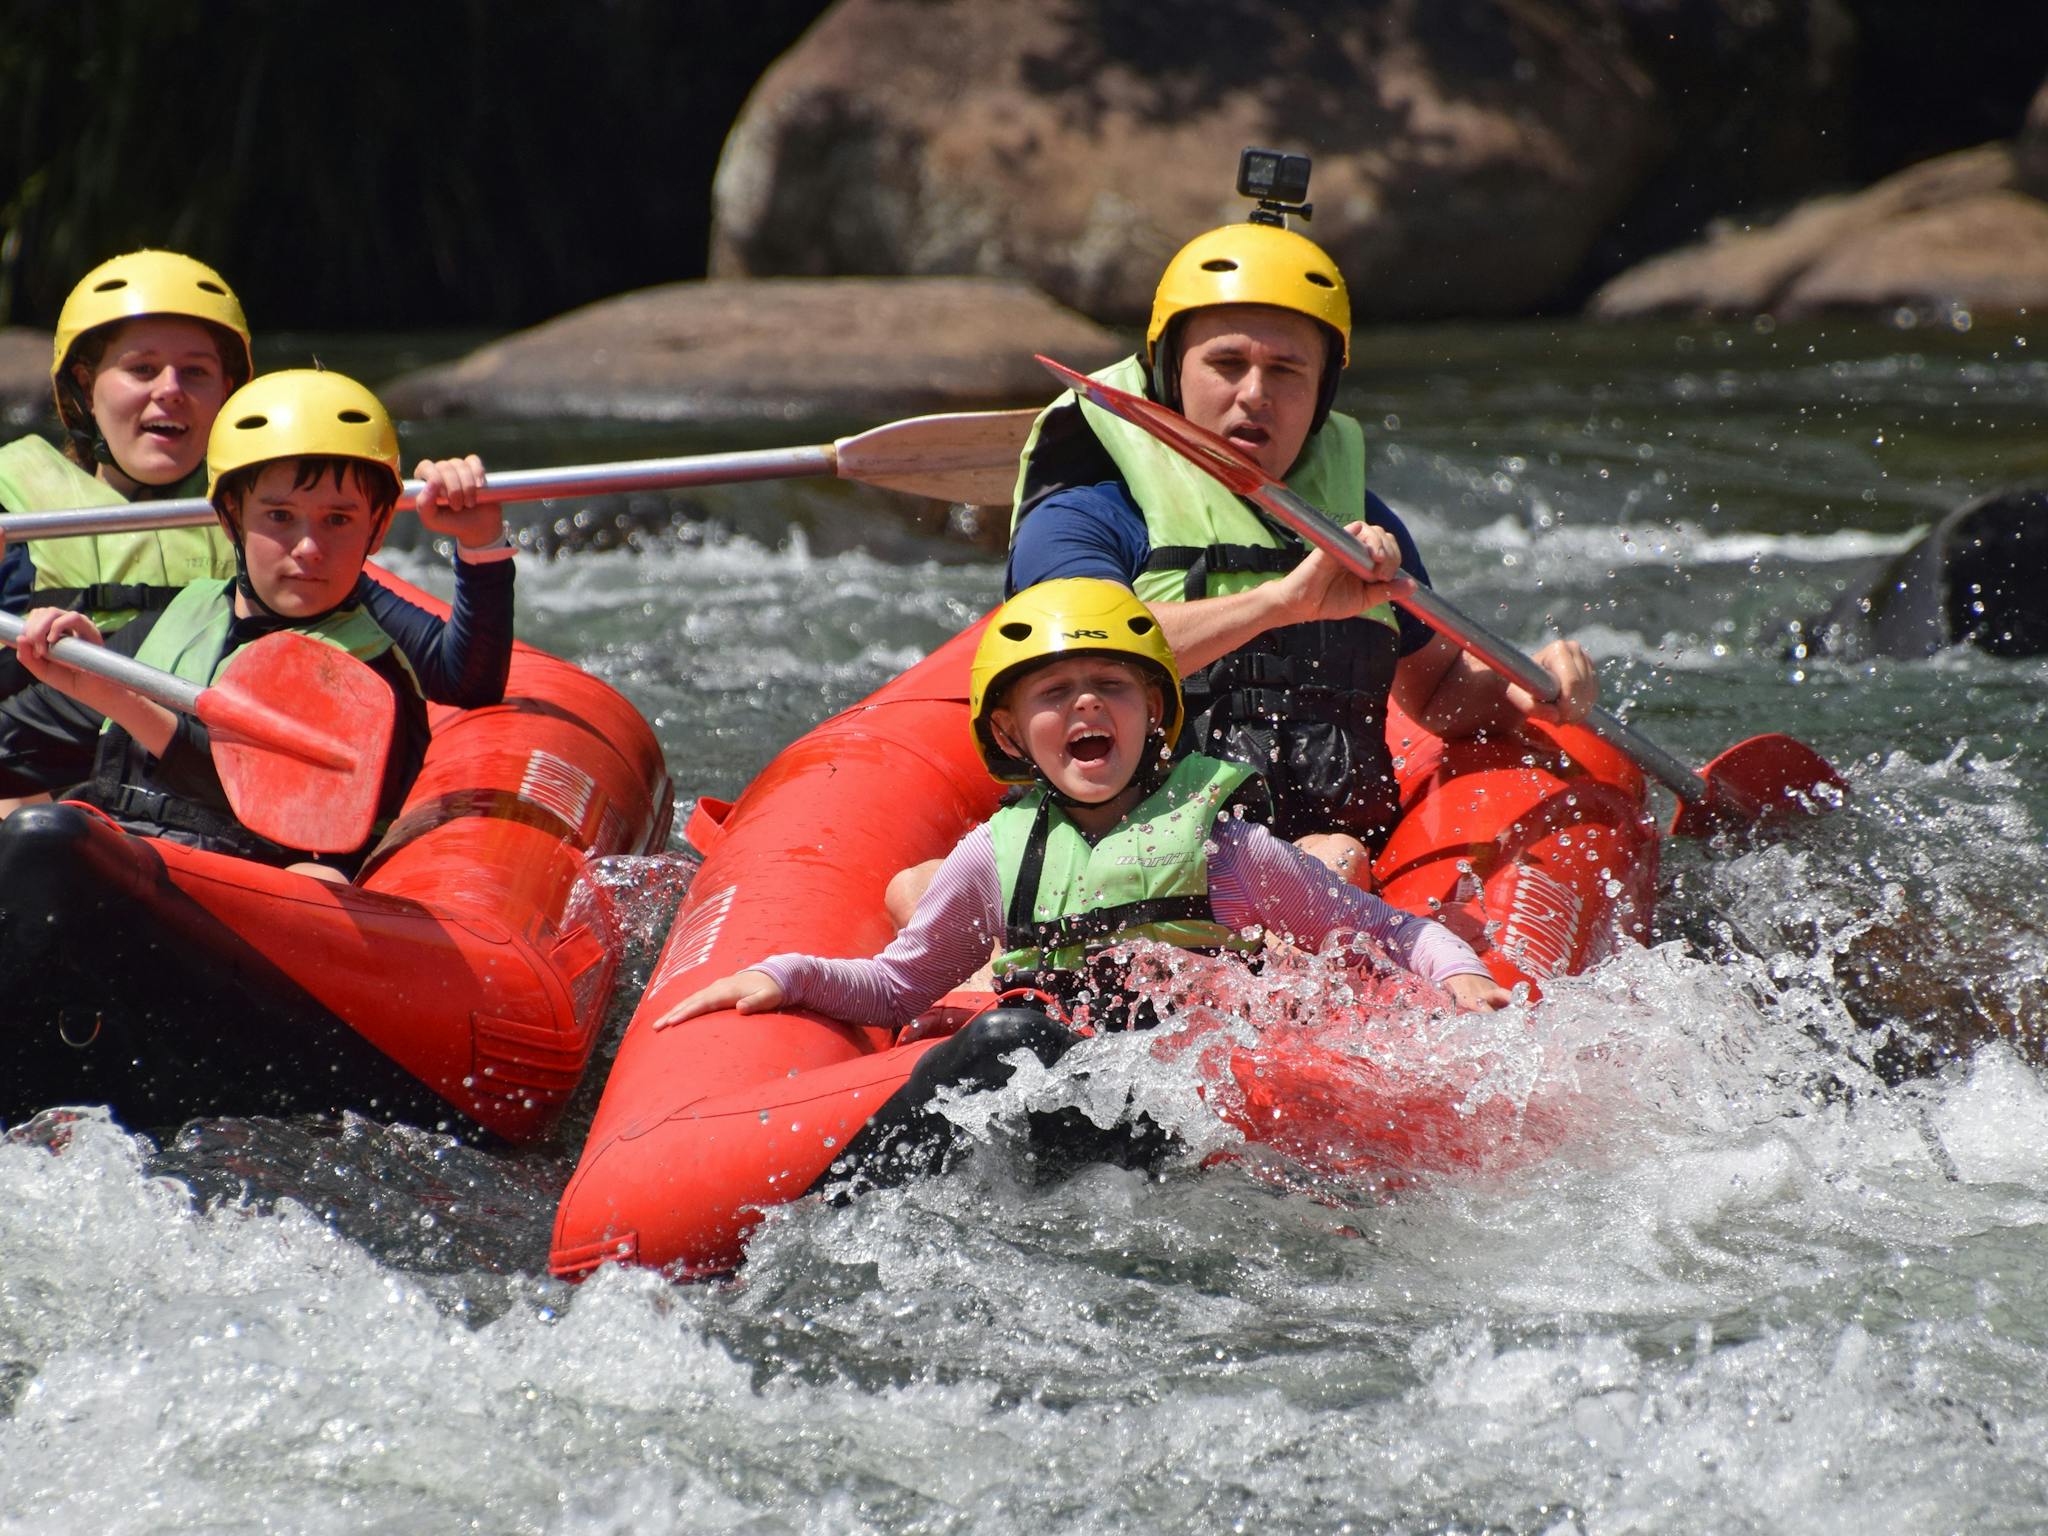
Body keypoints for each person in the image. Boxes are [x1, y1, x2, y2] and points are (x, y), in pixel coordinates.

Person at [659, 578, 1507, 1189]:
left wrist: (1461, 973)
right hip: (1057, 1109)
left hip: (1189, 1120)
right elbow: (896, 986)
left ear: (1155, 713)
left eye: (1111, 687)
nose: (1087, 706)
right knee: (1009, 1041)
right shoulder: (995, 858)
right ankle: (821, 1221)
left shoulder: (1230, 853)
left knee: (1010, 1041)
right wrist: (785, 975)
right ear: (1010, 733)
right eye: (1056, 692)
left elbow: (1389, 932)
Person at [1002, 210, 1599, 890]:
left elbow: (1435, 691)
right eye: (1227, 364)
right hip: (1120, 848)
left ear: (1321, 394)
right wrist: (1282, 603)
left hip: (1323, 857)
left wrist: (1521, 687)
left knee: (1335, 857)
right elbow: (1084, 664)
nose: (1255, 395)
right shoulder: (1085, 516)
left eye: (1286, 371)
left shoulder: (1361, 523)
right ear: (1170, 371)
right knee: (1332, 859)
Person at [0, 249, 515, 711]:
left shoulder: (270, 517)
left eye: (195, 372)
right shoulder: (16, 505)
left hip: (189, 764)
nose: (170, 390)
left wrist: (480, 544)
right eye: (142, 369)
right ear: (86, 385)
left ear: (228, 391)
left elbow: (463, 680)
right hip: (54, 757)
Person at [0, 369, 432, 880]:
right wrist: (65, 671)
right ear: (230, 516)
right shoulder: (174, 621)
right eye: (279, 516)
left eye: (337, 520)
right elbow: (11, 748)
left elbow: (275, 802)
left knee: (317, 879)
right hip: (116, 867)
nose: (309, 547)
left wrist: (117, 697)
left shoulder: (372, 674)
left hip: (243, 896)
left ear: (378, 527)